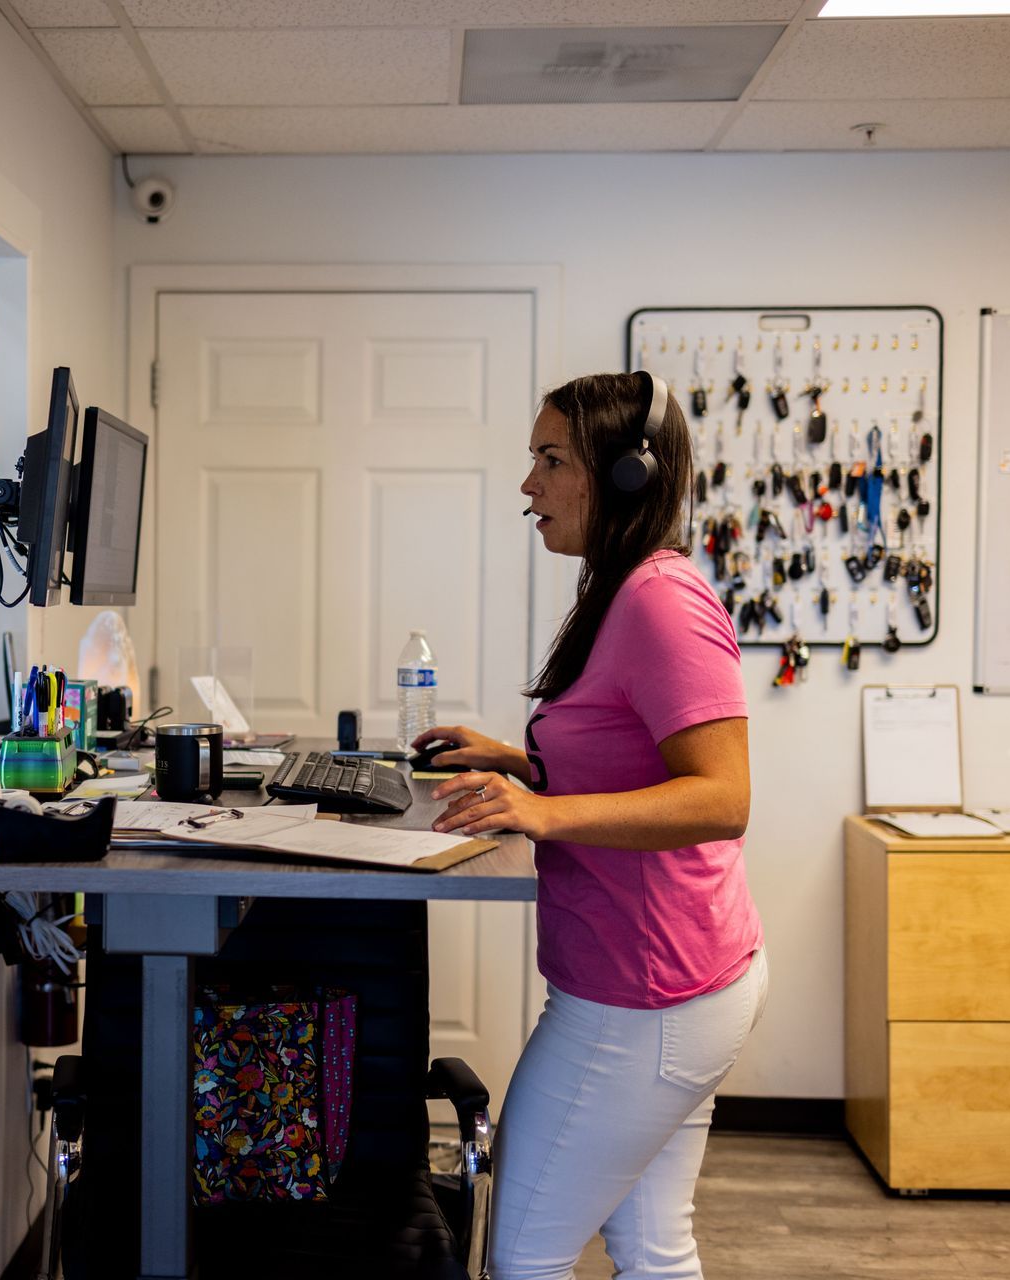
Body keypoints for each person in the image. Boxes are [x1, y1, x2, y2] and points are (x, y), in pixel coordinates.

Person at [416, 371, 765, 1280]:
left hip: (646, 998)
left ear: (623, 479)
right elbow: (635, 761)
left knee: (523, 1252)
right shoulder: (621, 589)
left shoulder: (660, 600)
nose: (528, 484)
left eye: (550, 459)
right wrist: (520, 762)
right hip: (676, 985)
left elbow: (722, 797)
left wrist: (543, 810)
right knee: (652, 1244)